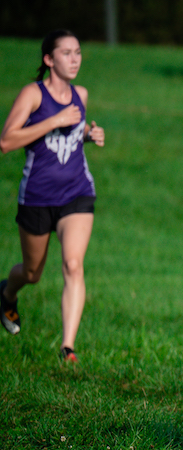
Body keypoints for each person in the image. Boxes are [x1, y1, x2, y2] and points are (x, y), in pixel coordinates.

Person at [0, 30, 105, 363]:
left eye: (78, 53)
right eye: (66, 53)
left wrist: (89, 134)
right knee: (32, 273)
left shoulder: (81, 94)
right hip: (37, 197)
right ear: (49, 59)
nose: (74, 60)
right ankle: (6, 293)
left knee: (73, 265)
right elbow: (6, 142)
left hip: (77, 192)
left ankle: (67, 348)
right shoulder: (33, 95)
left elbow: (73, 132)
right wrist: (54, 121)